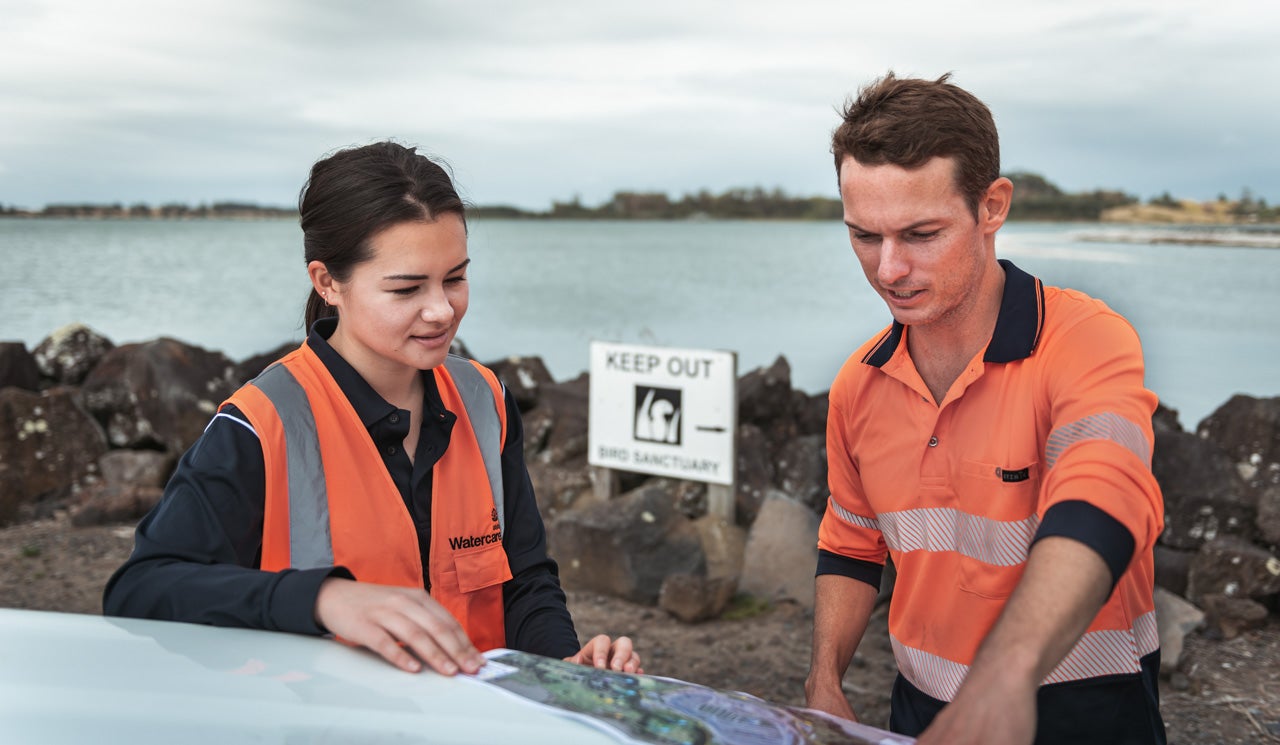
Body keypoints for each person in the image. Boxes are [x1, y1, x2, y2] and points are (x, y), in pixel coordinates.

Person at [104, 140, 641, 678]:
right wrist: (324, 599)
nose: (441, 310)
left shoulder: (485, 399)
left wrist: (569, 668)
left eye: (455, 278)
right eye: (407, 288)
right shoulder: (263, 422)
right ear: (328, 282)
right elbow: (141, 589)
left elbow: (525, 581)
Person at [804, 73, 1166, 745]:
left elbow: (1104, 502)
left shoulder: (1086, 338)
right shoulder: (859, 383)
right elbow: (852, 544)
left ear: (992, 206)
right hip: (918, 709)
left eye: (920, 233)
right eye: (863, 235)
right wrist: (824, 680)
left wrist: (1002, 680)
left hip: (1089, 709)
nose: (888, 269)